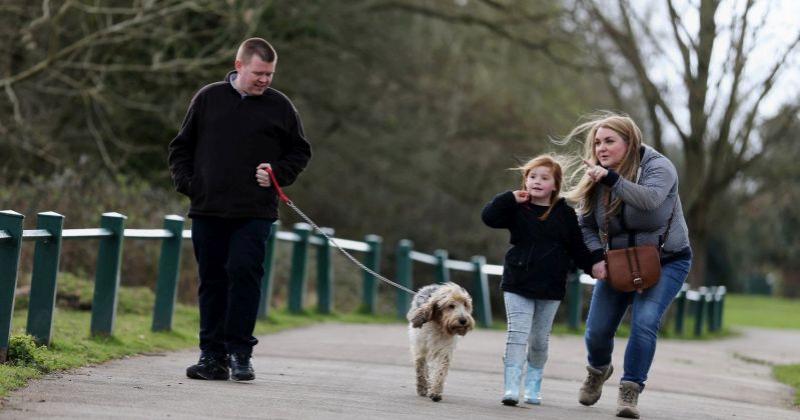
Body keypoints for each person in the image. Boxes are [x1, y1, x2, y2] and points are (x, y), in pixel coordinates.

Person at [168, 37, 311, 381]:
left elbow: (300, 152)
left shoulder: (280, 106)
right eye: (259, 73)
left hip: (254, 211)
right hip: (208, 209)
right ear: (239, 66)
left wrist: (277, 173)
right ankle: (211, 356)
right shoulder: (208, 98)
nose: (265, 80)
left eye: (270, 74)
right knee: (212, 281)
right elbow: (180, 148)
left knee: (244, 273)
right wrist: (191, 185)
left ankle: (240, 353)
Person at [563, 112, 691, 418]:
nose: (601, 149)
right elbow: (585, 225)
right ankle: (598, 370)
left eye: (609, 141)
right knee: (597, 330)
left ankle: (630, 389)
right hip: (619, 261)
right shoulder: (597, 177)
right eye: (597, 143)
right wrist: (596, 257)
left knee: (645, 321)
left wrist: (611, 179)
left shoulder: (658, 167)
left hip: (666, 261)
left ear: (630, 142)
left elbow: (649, 200)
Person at [481, 154, 604, 406]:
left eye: (544, 178)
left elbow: (578, 248)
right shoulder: (516, 208)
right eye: (532, 176)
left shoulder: (565, 214)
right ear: (525, 181)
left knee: (538, 340)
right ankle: (511, 387)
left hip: (551, 285)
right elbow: (489, 217)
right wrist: (509, 198)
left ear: (555, 184)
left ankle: (533, 384)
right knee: (517, 334)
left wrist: (595, 265)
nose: (537, 181)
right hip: (518, 281)